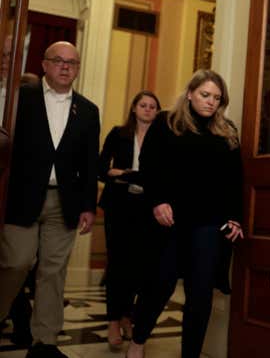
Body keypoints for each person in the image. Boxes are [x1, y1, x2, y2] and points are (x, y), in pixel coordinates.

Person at [125, 70, 244, 358]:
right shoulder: (167, 123)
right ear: (189, 93)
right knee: (159, 285)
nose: (211, 102)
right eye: (205, 95)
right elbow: (148, 166)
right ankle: (137, 342)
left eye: (217, 98)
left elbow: (234, 179)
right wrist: (157, 201)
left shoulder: (226, 130)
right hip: (170, 220)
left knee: (200, 295)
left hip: (208, 223)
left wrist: (234, 216)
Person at [0, 41, 100, 358]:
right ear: (44, 64)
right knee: (16, 262)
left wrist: (88, 205)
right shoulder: (19, 99)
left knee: (53, 272)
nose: (65, 66)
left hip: (65, 202)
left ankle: (45, 342)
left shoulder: (87, 110)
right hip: (21, 198)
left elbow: (89, 162)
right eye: (58, 60)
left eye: (72, 62)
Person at [97, 90, 160, 351]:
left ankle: (127, 315)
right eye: (143, 105)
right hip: (118, 207)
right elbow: (101, 169)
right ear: (134, 108)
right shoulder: (118, 133)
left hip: (147, 209)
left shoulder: (161, 138)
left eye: (152, 106)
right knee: (117, 265)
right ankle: (113, 320)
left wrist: (124, 174)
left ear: (157, 112)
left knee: (140, 266)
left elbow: (158, 175)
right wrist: (128, 174)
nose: (147, 109)